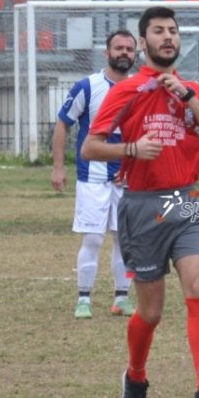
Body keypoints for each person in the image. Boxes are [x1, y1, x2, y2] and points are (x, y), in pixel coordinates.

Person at [81, 7, 199, 398]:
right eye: (159, 31)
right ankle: (135, 375)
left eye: (173, 31)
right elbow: (90, 147)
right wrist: (132, 149)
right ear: (143, 42)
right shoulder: (128, 90)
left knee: (197, 286)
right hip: (142, 206)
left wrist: (186, 95)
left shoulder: (191, 89)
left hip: (185, 202)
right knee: (151, 312)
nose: (168, 37)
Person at [51, 30, 137, 319]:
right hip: (92, 176)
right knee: (93, 239)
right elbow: (63, 123)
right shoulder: (87, 86)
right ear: (107, 53)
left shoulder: (141, 89)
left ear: (135, 55)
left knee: (124, 239)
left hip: (127, 178)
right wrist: (58, 167)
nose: (124, 53)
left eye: (129, 49)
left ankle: (121, 298)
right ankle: (84, 299)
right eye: (118, 48)